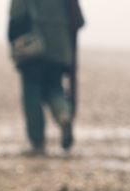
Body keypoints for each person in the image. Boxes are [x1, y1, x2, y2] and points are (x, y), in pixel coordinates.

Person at [8, 0, 84, 155]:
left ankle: (37, 142)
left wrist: (14, 39)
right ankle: (64, 116)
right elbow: (78, 19)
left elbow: (17, 12)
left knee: (32, 93)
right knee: (54, 88)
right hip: (60, 47)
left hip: (33, 45)